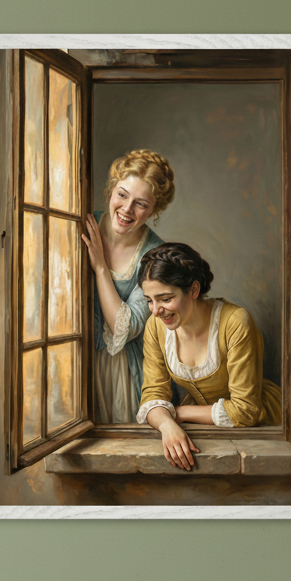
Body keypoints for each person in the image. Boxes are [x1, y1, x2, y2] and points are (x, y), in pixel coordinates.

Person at [135, 243, 282, 471]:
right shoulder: (155, 327)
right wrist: (167, 425)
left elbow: (245, 410)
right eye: (149, 300)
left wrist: (179, 412)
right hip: (203, 427)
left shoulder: (235, 322)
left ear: (193, 290)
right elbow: (153, 394)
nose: (155, 310)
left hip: (260, 424)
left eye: (165, 299)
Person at [81, 149, 176, 423]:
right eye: (122, 195)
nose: (126, 209)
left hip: (121, 371)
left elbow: (125, 326)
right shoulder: (82, 225)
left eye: (141, 204)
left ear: (154, 210)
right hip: (72, 356)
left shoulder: (156, 254)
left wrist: (100, 268)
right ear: (112, 189)